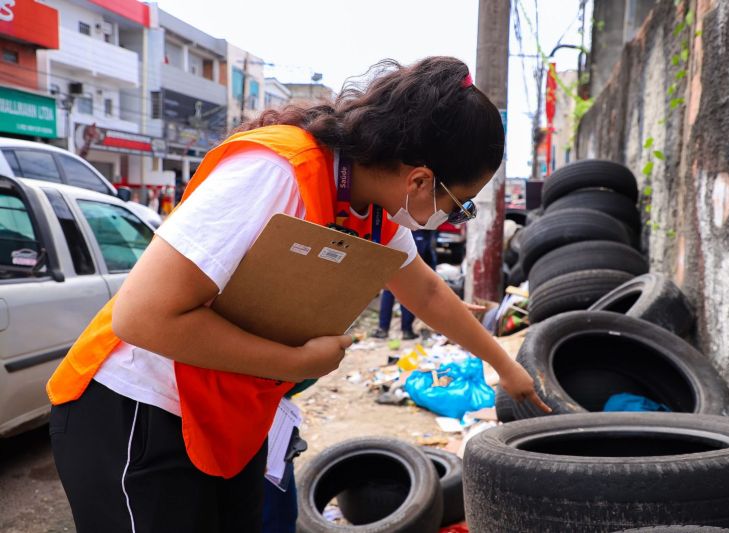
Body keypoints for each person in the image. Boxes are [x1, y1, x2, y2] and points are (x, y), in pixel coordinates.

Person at [46, 56, 550, 533]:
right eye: (458, 206)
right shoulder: (276, 175)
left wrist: (505, 369)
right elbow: (142, 318)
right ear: (419, 179)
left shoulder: (370, 206)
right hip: (134, 410)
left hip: (222, 415)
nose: (452, 218)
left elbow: (427, 291)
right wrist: (296, 359)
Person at [373, 229, 437, 340]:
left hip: (398, 245)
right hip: (416, 235)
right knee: (408, 291)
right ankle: (406, 330)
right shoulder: (423, 229)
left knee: (390, 289)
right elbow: (428, 255)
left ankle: (383, 329)